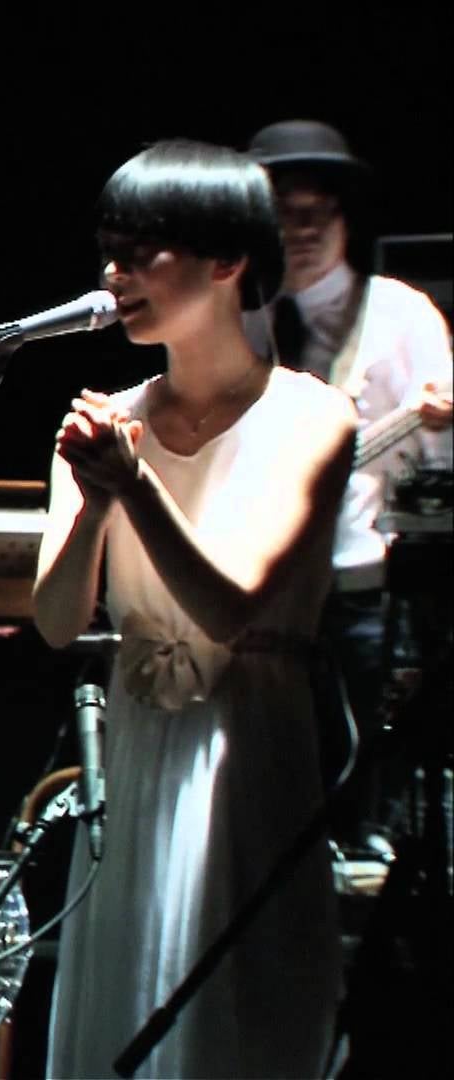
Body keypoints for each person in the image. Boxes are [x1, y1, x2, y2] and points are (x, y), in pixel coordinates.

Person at [32, 141, 355, 1077]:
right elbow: (56, 621)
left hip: (250, 752)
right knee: (128, 1007)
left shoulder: (312, 418)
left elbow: (231, 605)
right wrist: (96, 504)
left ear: (228, 261)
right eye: (109, 249)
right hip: (140, 751)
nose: (114, 273)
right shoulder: (105, 420)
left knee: (235, 1014)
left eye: (141, 250)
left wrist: (132, 485)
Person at [246, 118, 454, 839]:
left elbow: (441, 471)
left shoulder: (399, 312)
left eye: (319, 211)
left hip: (365, 594)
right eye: (285, 212)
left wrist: (434, 426)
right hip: (260, 594)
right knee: (276, 786)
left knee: (379, 788)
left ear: (344, 217)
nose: (303, 230)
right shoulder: (240, 318)